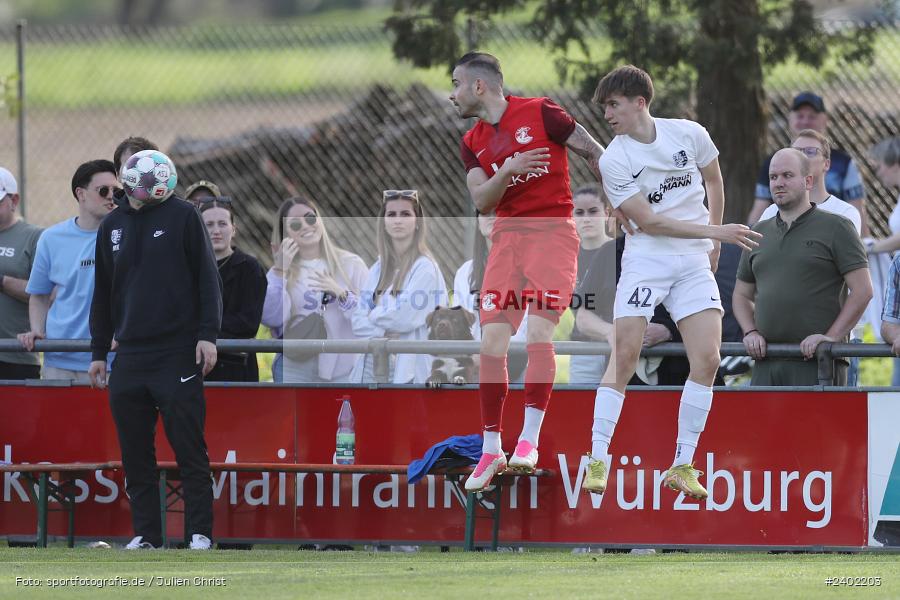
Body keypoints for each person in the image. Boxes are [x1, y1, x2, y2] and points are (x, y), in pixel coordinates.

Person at [581, 65, 761, 500]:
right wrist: (714, 233)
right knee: (624, 354)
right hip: (647, 260)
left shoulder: (689, 133)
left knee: (709, 358)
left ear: (640, 102)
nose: (607, 114)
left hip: (693, 259)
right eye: (604, 106)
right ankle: (598, 456)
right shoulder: (615, 158)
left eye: (613, 104)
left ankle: (683, 463)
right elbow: (649, 221)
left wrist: (712, 237)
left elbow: (713, 179)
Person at [450, 52, 605, 491]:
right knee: (492, 342)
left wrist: (623, 201)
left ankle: (528, 441)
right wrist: (511, 171)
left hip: (552, 235)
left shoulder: (541, 113)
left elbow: (594, 153)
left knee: (538, 335)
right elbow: (482, 200)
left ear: (480, 86)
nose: (452, 93)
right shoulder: (470, 141)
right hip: (507, 241)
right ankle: (491, 447)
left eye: (457, 83)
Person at [89, 152, 222, 551]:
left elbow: (207, 278)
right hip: (129, 356)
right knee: (135, 454)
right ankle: (146, 535)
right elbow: (103, 294)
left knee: (189, 448)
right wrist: (99, 350)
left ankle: (199, 533)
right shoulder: (111, 226)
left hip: (177, 351)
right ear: (129, 181)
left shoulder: (184, 215)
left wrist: (207, 335)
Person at [733, 148, 872, 386]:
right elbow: (741, 294)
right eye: (773, 177)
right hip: (767, 362)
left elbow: (863, 291)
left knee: (819, 425)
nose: (779, 183)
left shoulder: (838, 227)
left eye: (787, 175)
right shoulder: (758, 232)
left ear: (808, 181)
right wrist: (750, 331)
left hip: (820, 364)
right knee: (765, 425)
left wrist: (831, 338)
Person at [17, 160, 117, 382]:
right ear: (80, 194)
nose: (111, 196)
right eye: (103, 191)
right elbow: (40, 294)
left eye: (116, 191)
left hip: (110, 360)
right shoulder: (52, 238)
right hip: (59, 359)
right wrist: (36, 330)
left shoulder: (124, 235)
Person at [263, 196, 367, 383]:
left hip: (344, 369)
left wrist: (342, 295)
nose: (305, 226)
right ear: (285, 235)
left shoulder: (351, 265)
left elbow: (370, 317)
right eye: (295, 225)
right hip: (296, 366)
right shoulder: (280, 272)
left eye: (310, 218)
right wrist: (280, 270)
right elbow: (272, 317)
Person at [351, 189, 447, 384]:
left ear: (417, 222)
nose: (398, 220)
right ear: (383, 222)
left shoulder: (426, 268)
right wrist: (383, 331)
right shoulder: (378, 268)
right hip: (371, 365)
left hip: (409, 371)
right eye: (391, 214)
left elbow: (404, 317)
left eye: (405, 214)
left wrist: (373, 314)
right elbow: (356, 320)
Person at [747, 92, 868, 234]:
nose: (805, 121)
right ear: (790, 119)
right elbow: (759, 211)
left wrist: (866, 244)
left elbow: (859, 210)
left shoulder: (844, 163)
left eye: (812, 117)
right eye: (800, 116)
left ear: (824, 120)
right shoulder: (773, 163)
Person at [452, 211, 528, 382]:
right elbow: (459, 326)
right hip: (472, 367)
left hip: (515, 367)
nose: (491, 216)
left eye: (499, 210)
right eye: (485, 211)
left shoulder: (526, 267)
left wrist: (487, 355)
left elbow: (525, 331)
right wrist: (473, 360)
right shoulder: (465, 272)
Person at [199, 197, 267, 382]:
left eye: (222, 223)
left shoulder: (250, 268)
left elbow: (248, 323)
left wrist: (204, 329)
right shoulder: (189, 268)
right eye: (209, 224)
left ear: (233, 228)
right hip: (196, 365)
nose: (216, 231)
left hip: (237, 367)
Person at [757, 130, 861, 234]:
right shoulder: (772, 212)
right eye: (796, 152)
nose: (802, 157)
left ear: (826, 164)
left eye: (810, 151)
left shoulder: (844, 212)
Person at [568, 184, 613, 384]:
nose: (586, 218)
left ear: (606, 212)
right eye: (579, 212)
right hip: (584, 347)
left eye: (593, 211)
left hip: (620, 345)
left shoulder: (620, 252)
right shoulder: (566, 259)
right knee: (582, 408)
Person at [0, 167, 42, 379]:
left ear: (14, 200)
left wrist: (2, 281)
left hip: (16, 357)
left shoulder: (34, 237)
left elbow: (44, 294)